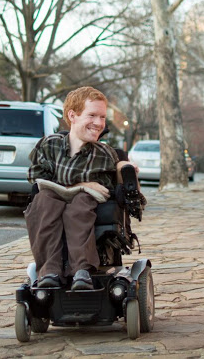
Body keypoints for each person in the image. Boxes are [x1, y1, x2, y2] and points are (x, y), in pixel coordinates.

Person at [25, 86, 133, 290]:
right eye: (92, 115)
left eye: (102, 117)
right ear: (72, 115)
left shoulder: (104, 153)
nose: (99, 123)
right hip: (52, 197)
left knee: (81, 204)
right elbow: (36, 177)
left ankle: (82, 271)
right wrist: (80, 184)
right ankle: (49, 271)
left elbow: (106, 189)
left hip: (85, 203)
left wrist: (125, 168)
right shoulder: (49, 145)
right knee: (44, 199)